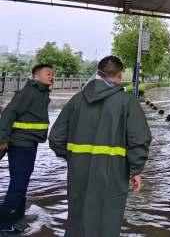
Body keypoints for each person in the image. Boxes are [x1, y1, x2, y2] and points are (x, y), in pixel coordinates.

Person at [49, 56, 151, 237]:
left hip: (78, 171)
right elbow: (139, 139)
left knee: (77, 216)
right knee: (106, 218)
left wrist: (73, 157)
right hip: (113, 171)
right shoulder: (127, 101)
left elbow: (56, 137)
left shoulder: (77, 100)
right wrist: (136, 170)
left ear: (97, 73)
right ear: (120, 75)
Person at [0, 64, 54, 234]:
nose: (52, 76)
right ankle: (3, 224)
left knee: (21, 181)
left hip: (29, 143)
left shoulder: (42, 93)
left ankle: (17, 214)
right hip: (21, 143)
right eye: (48, 74)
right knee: (19, 184)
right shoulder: (29, 92)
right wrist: (3, 139)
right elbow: (8, 114)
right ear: (36, 77)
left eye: (53, 74)